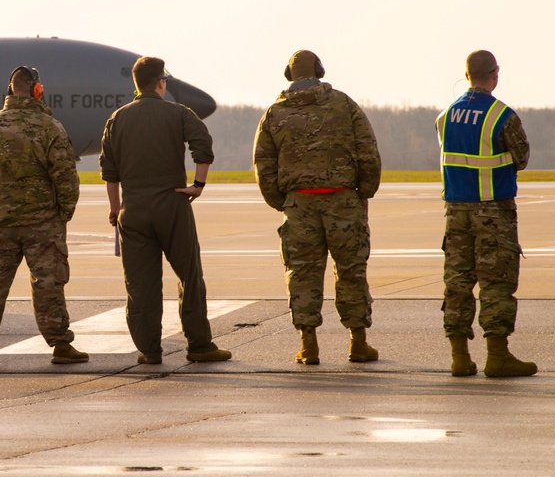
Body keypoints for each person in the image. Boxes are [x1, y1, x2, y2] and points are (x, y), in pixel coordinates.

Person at [99, 56, 232, 365]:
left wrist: (116, 208)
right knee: (189, 275)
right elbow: (203, 146)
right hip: (172, 204)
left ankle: (149, 350)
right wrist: (197, 185)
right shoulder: (178, 113)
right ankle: (199, 345)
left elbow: (109, 171)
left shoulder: (117, 118)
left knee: (141, 284)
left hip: (133, 210)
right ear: (160, 82)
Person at [253, 50, 382, 365]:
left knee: (302, 274)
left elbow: (263, 164)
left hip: (300, 205)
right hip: (343, 202)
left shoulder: (275, 113)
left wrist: (283, 201)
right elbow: (368, 150)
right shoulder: (343, 104)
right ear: (320, 71)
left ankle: (309, 345)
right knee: (351, 271)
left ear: (290, 74)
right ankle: (358, 342)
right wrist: (364, 191)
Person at [0, 66, 88, 365]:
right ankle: (60, 345)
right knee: (48, 285)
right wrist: (61, 215)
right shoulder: (49, 127)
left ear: (9, 91)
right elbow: (66, 178)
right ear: (37, 90)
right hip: (42, 223)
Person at [436, 50, 537, 378]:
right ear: (495, 74)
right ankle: (497, 355)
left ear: (466, 76)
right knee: (496, 282)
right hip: (493, 212)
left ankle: (459, 357)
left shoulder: (445, 116)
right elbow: (521, 158)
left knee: (457, 283)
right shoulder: (501, 115)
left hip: (455, 213)